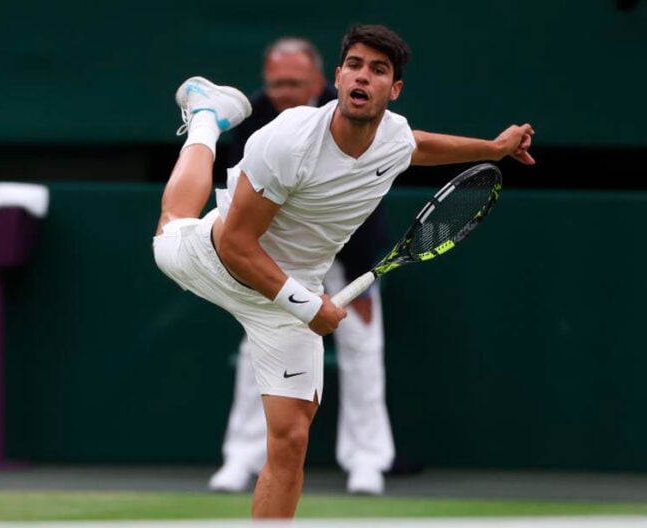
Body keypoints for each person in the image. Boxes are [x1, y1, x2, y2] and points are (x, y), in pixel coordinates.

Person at [153, 24, 534, 519]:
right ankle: (206, 116)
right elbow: (235, 245)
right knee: (173, 222)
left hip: (284, 304)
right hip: (221, 262)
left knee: (291, 439)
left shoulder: (392, 137)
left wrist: (493, 148)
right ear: (336, 77)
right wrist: (306, 305)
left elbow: (417, 146)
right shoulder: (288, 140)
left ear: (394, 89)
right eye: (354, 65)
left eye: (378, 70)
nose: (362, 76)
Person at [208, 36, 403, 496]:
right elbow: (243, 203)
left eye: (294, 83)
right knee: (257, 349)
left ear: (318, 81)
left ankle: (367, 461)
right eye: (276, 83)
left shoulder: (356, 110)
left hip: (347, 253)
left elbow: (371, 198)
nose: (284, 92)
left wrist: (359, 274)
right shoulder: (255, 116)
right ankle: (241, 457)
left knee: (362, 348)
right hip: (279, 254)